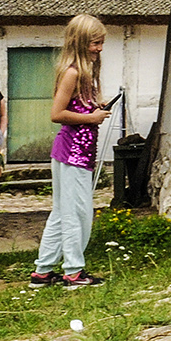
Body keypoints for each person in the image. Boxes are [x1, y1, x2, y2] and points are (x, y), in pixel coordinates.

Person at [30, 15, 112, 287]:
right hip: (72, 153)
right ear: (79, 42)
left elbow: (75, 106)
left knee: (62, 212)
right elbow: (57, 113)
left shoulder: (84, 73)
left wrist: (93, 105)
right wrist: (92, 118)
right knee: (78, 212)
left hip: (77, 153)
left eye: (101, 43)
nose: (99, 48)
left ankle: (42, 271)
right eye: (95, 43)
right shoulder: (73, 72)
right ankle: (74, 272)